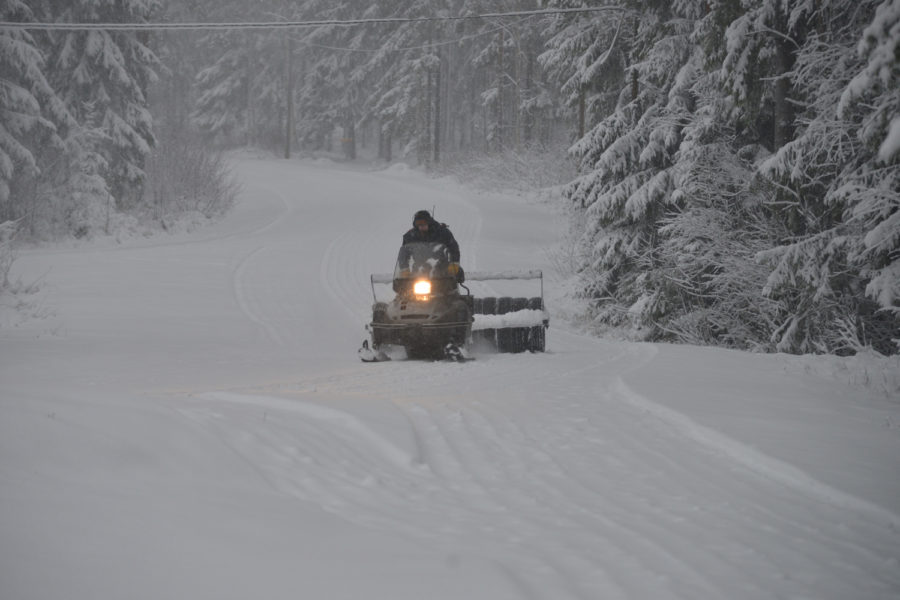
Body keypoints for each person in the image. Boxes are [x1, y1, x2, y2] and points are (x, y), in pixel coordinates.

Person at [402, 209, 462, 279]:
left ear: (429, 222)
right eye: (418, 223)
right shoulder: (410, 236)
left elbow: (453, 247)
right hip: (419, 269)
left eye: (424, 222)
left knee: (450, 286)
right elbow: (404, 253)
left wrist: (454, 264)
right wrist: (404, 269)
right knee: (408, 288)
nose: (421, 225)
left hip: (441, 268)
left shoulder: (442, 232)